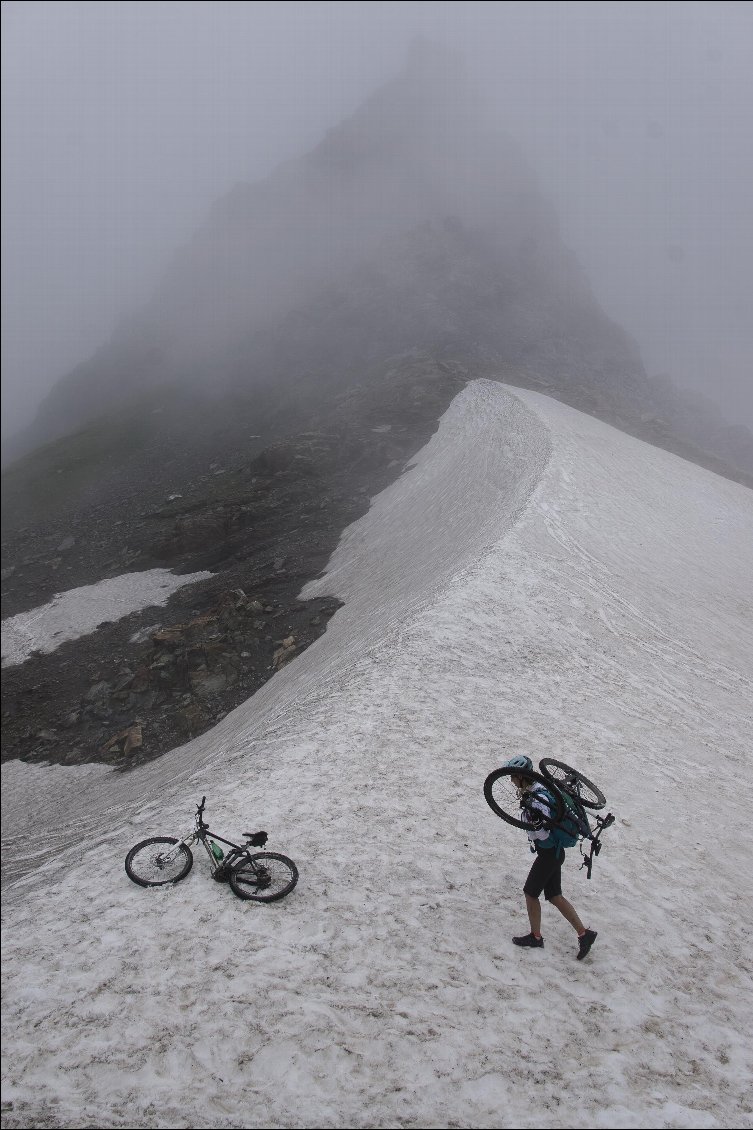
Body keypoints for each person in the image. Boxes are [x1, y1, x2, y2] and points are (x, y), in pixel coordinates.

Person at [505, 755, 597, 960]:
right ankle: (584, 934)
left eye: (513, 776)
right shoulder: (536, 792)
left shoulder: (538, 798)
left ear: (521, 776)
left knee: (530, 892)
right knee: (555, 896)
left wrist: (537, 828)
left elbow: (544, 831)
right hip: (554, 853)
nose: (511, 780)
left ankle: (536, 937)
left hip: (549, 854)